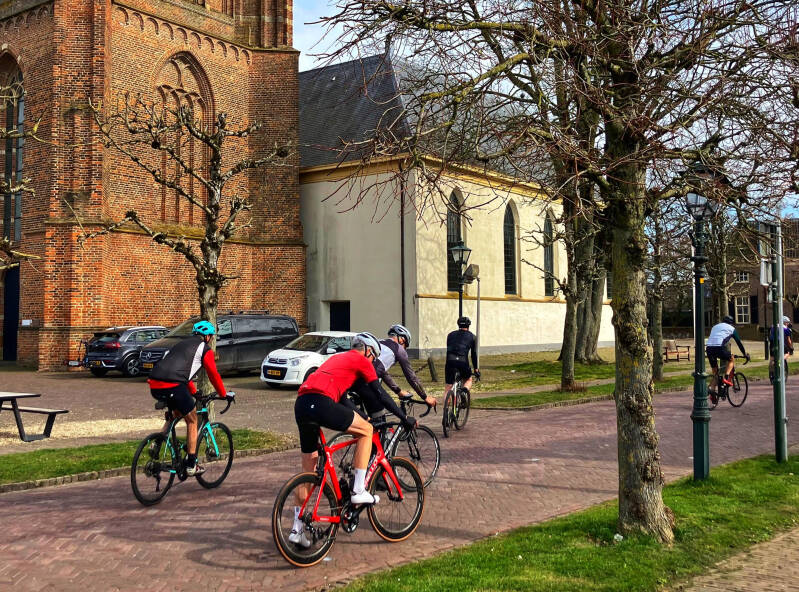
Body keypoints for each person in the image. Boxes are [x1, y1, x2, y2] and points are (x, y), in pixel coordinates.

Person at [291, 331, 416, 547]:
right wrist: (403, 418)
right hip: (321, 402)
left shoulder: (337, 359)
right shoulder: (362, 360)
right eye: (373, 356)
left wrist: (362, 415)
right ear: (367, 350)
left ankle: (297, 529)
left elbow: (342, 398)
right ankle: (358, 489)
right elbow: (380, 393)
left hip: (302, 404)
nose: (373, 361)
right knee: (367, 431)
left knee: (308, 471)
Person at [147, 320, 233, 476]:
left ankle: (157, 443)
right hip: (173, 386)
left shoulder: (180, 345)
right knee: (192, 420)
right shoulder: (204, 349)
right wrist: (222, 393)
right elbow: (213, 374)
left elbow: (182, 373)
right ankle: (191, 465)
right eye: (212, 336)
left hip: (154, 384)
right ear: (207, 336)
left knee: (176, 413)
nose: (211, 339)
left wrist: (193, 392)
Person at [373, 324, 437, 408]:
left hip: (360, 374)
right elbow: (411, 377)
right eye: (405, 345)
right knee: (382, 407)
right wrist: (425, 397)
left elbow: (382, 372)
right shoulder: (399, 349)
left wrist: (398, 391)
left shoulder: (378, 342)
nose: (404, 349)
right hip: (368, 378)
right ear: (402, 340)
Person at [705, 315, 750, 398]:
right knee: (731, 359)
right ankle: (726, 377)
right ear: (731, 323)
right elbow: (738, 342)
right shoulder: (732, 329)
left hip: (709, 349)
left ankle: (712, 393)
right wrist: (744, 354)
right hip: (719, 348)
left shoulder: (715, 327)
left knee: (715, 373)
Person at [444, 316, 479, 397]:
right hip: (463, 361)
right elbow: (473, 354)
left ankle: (445, 404)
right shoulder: (472, 337)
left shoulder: (450, 335)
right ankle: (464, 391)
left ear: (458, 325)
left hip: (450, 361)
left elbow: (449, 349)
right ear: (468, 326)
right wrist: (476, 369)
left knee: (448, 387)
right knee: (468, 379)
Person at [769, 315, 794, 383]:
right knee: (787, 353)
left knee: (772, 358)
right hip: (780, 343)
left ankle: (771, 375)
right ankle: (779, 361)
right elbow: (788, 340)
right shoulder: (786, 329)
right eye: (787, 322)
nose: (788, 324)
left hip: (772, 343)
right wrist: (791, 348)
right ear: (784, 322)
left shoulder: (772, 326)